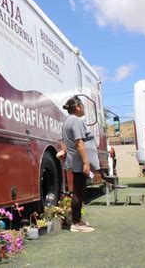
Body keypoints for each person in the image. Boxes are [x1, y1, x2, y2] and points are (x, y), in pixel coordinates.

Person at [58, 96, 96, 233]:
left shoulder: (67, 121)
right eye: (83, 105)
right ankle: (76, 222)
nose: (84, 108)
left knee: (79, 190)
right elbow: (79, 143)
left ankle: (77, 220)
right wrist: (86, 162)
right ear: (78, 106)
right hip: (78, 161)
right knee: (79, 191)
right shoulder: (77, 121)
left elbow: (62, 141)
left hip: (73, 159)